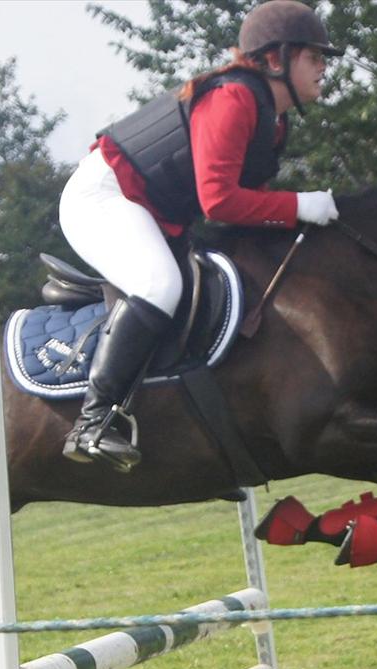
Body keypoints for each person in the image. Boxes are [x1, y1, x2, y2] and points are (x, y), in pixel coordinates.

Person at [58, 0, 343, 471]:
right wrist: (299, 205)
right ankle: (93, 423)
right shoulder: (233, 99)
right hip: (102, 197)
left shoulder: (272, 119)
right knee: (160, 286)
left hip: (151, 212)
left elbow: (244, 203)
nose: (323, 67)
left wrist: (298, 215)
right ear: (275, 59)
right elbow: (220, 202)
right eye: (314, 56)